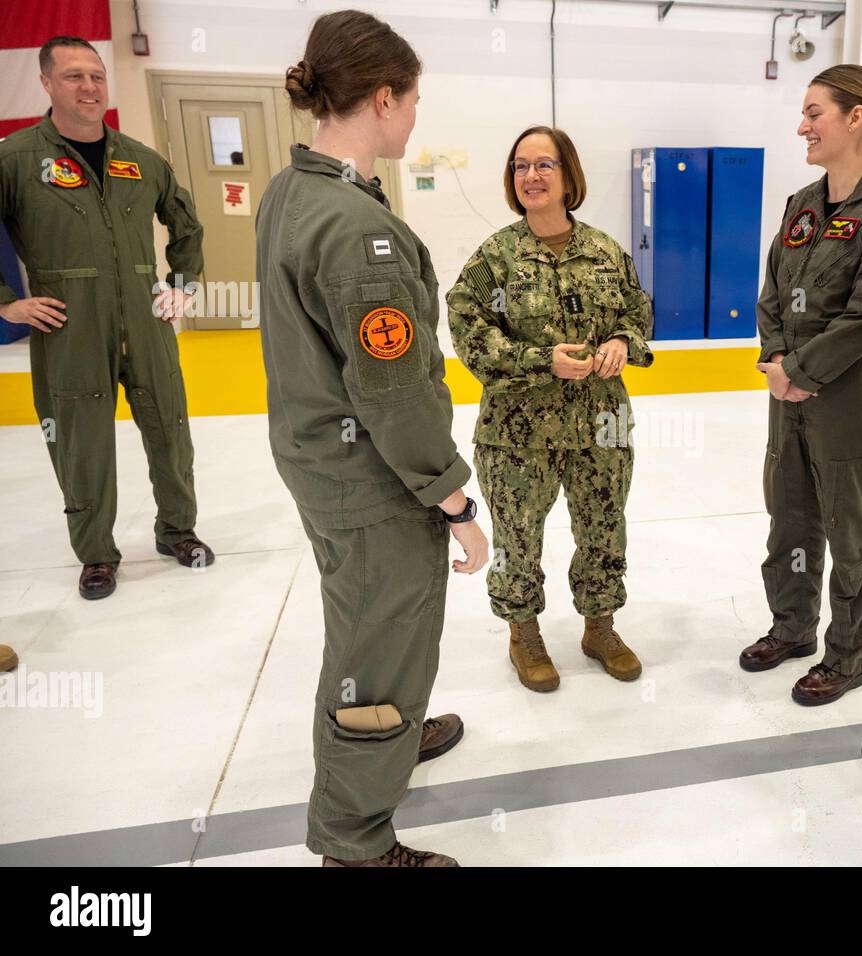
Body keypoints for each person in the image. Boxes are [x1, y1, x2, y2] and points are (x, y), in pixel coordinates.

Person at [257, 9, 488, 867]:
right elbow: (393, 397)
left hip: (317, 458)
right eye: (415, 99)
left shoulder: (295, 190)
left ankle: (393, 732)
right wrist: (454, 497)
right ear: (383, 99)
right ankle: (354, 841)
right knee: (380, 631)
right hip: (371, 475)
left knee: (365, 617)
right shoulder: (363, 233)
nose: (417, 116)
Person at [0, 36, 211, 600]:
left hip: (145, 322)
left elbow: (186, 227)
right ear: (46, 83)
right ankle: (96, 554)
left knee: (170, 431)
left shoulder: (140, 160)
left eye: (95, 75)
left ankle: (177, 532)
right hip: (69, 327)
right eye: (73, 76)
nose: (89, 87)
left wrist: (184, 286)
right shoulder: (16, 159)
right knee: (81, 443)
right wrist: (6, 302)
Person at [741, 65, 862, 706]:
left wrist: (801, 371)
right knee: (789, 516)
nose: (802, 126)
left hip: (847, 394)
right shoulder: (802, 205)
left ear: (856, 119)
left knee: (851, 529)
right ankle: (793, 628)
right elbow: (770, 293)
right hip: (787, 387)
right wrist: (776, 360)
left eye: (815, 112)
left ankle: (847, 655)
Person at [447, 127, 653, 693]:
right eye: (519, 166)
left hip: (601, 425)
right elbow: (467, 329)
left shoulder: (606, 251)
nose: (530, 176)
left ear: (569, 177)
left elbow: (639, 312)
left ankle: (600, 627)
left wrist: (623, 343)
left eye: (543, 165)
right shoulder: (496, 258)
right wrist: (539, 360)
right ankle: (524, 634)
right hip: (517, 432)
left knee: (604, 530)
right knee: (517, 538)